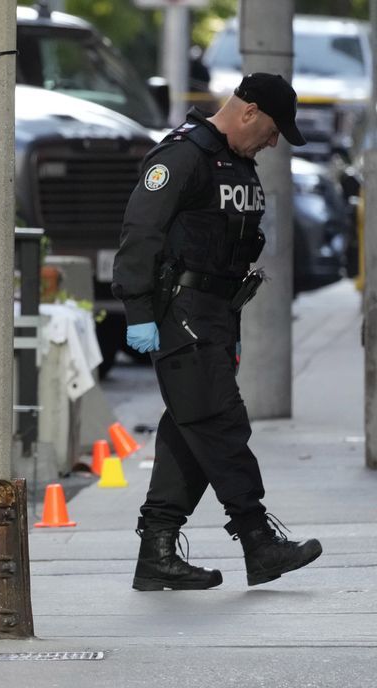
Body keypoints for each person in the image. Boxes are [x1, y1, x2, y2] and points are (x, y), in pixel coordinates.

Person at [112, 72, 322, 591]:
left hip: (215, 314)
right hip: (179, 311)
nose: (275, 141)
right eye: (274, 129)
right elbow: (140, 234)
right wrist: (138, 311)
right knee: (220, 422)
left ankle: (156, 553)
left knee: (191, 429)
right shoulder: (182, 157)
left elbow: (229, 251)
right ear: (249, 112)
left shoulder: (236, 162)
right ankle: (258, 540)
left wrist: (233, 322)